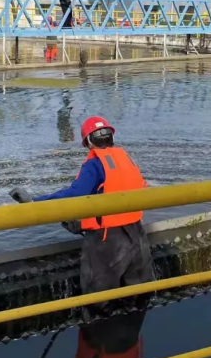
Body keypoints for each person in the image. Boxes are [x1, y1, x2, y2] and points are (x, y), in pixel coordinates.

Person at [11, 116, 154, 321]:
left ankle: (99, 336)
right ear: (112, 137)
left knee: (99, 301)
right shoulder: (127, 159)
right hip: (137, 234)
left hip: (107, 240)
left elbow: (75, 195)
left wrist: (37, 203)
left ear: (88, 142)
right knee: (138, 297)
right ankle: (130, 331)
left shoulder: (95, 165)